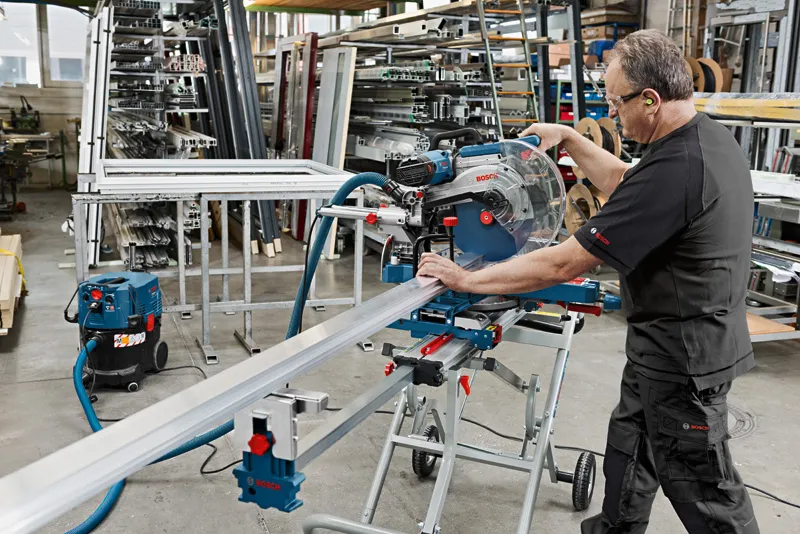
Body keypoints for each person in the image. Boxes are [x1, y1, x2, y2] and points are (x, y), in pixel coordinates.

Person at [418, 29, 760, 534]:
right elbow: (630, 182)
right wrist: (573, 141)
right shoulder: (703, 139)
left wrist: (469, 280)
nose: (611, 113)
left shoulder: (679, 167)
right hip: (664, 348)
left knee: (707, 494)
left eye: (615, 101)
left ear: (651, 99)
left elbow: (564, 264)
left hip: (684, 362)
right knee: (629, 456)